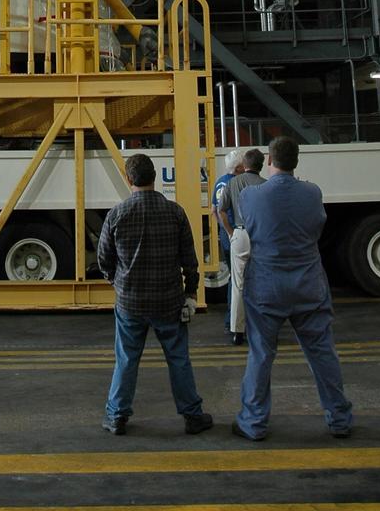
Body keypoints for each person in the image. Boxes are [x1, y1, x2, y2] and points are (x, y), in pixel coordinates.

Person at [232, 136, 353, 442]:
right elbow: (317, 228)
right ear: (296, 161)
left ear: (269, 161)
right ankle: (339, 419)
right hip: (308, 284)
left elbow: (249, 229)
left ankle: (253, 422)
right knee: (322, 352)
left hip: (266, 287)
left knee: (261, 354)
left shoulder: (251, 195)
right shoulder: (312, 193)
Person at [97, 152, 213, 436]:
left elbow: (103, 259)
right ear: (156, 178)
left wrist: (119, 283)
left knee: (126, 359)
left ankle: (116, 417)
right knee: (178, 359)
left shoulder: (117, 214)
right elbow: (190, 259)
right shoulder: (175, 212)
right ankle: (192, 416)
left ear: (128, 179)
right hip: (168, 301)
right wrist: (190, 294)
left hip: (130, 303)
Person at [216, 146, 265, 344]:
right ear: (261, 165)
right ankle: (261, 327)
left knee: (238, 284)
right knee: (261, 282)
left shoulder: (233, 183)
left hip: (240, 233)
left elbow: (220, 210)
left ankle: (238, 331)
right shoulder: (265, 185)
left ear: (244, 165)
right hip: (260, 236)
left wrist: (230, 232)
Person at [210, 148, 244, 334]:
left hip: (225, 234)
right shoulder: (237, 183)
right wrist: (232, 231)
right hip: (236, 232)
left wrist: (223, 230)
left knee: (233, 275)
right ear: (238, 168)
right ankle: (235, 318)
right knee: (240, 279)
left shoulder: (219, 182)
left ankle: (231, 319)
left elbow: (214, 210)